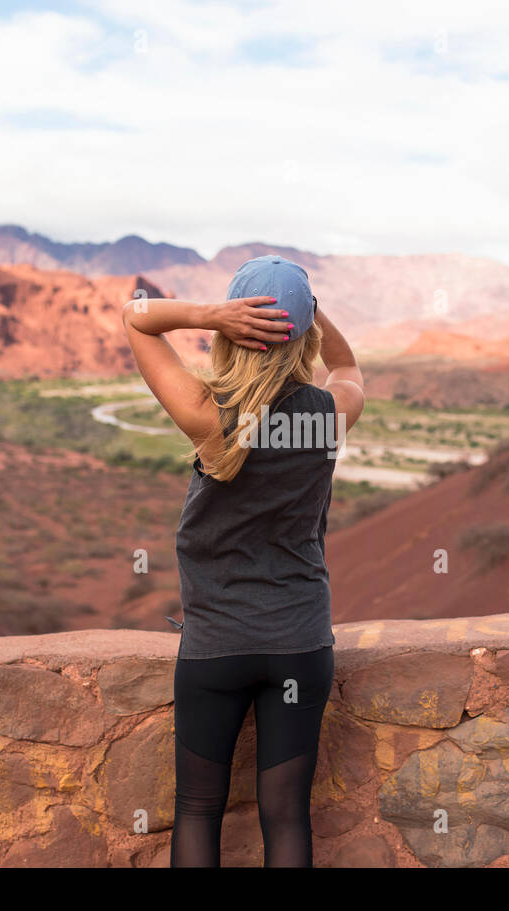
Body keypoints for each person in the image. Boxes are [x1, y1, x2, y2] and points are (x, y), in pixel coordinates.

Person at [121, 255, 365, 867]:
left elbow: (136, 319)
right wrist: (306, 315)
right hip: (299, 645)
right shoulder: (327, 418)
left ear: (234, 330)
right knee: (286, 816)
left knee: (198, 809)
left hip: (216, 650)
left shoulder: (210, 415)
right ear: (303, 336)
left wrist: (209, 315)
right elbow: (349, 366)